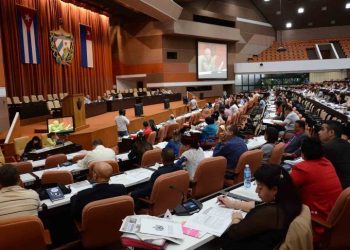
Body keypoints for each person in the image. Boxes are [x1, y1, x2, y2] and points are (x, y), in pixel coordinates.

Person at [218, 165, 302, 250]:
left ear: (274, 190)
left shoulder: (271, 213)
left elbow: (234, 232)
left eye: (260, 187)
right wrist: (233, 204)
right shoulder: (288, 200)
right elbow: (259, 204)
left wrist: (236, 219)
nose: (256, 191)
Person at [290, 138, 342, 242]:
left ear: (303, 153)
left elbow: (283, 188)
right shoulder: (327, 163)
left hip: (317, 223)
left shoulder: (303, 169)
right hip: (334, 219)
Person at [318, 120, 350, 189]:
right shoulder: (347, 144)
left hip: (339, 188)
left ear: (331, 132)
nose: (319, 132)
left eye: (322, 130)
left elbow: (318, 171)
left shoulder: (327, 147)